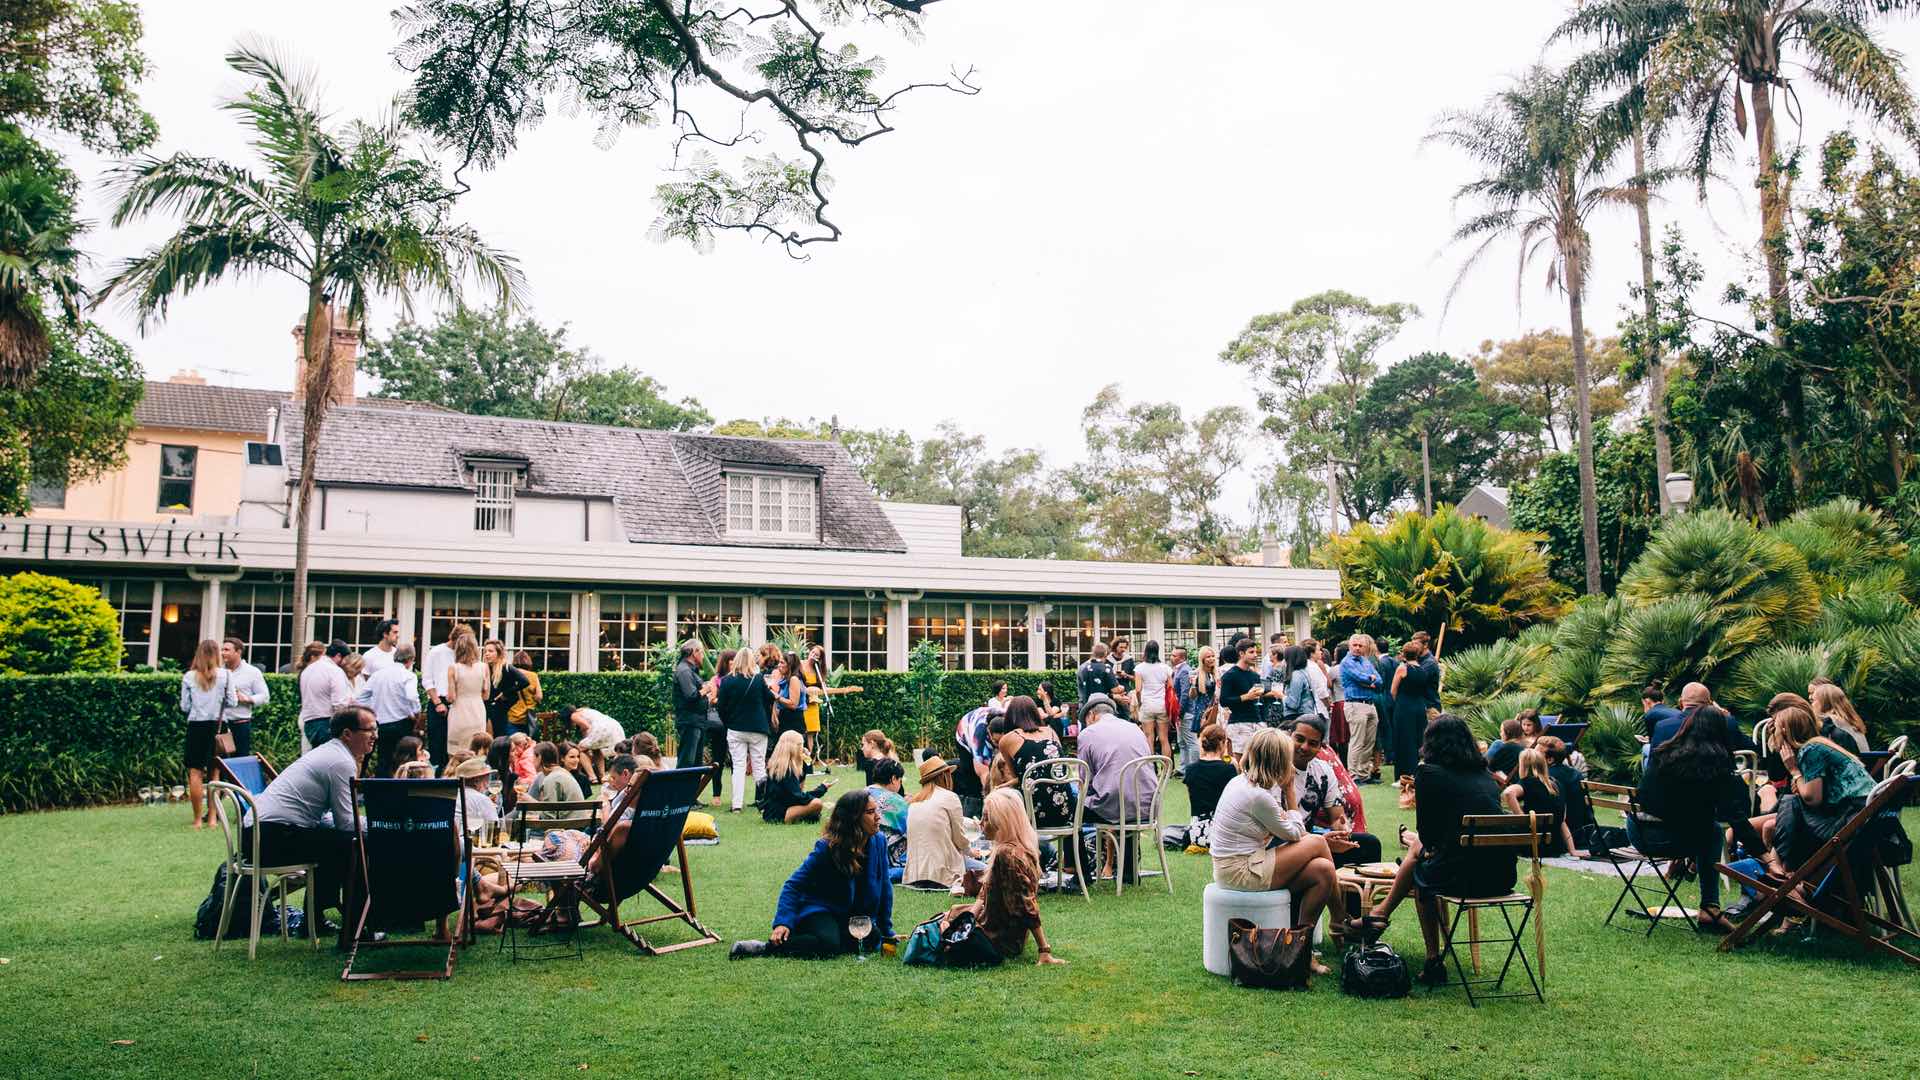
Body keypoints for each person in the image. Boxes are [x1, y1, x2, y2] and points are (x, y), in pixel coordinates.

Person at [1348, 714, 1518, 986]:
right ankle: (1380, 914)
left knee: (1421, 871)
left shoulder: (1429, 773)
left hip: (1461, 878)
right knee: (1418, 852)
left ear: (1431, 742)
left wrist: (1419, 843)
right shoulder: (1486, 777)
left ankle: (1429, 957)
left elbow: (1429, 835)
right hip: (1502, 878)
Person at [1208, 728, 1338, 974]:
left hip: (1243, 864)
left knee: (1324, 870)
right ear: (1279, 762)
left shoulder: (1244, 784)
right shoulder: (1257, 796)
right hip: (1241, 870)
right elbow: (1295, 833)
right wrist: (1290, 790)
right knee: (1319, 844)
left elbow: (1288, 828)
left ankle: (1302, 951)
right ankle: (1340, 920)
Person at [248, 706, 379, 934]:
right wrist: (380, 825)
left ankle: (316, 921)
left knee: (338, 844)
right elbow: (347, 824)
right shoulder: (340, 761)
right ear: (347, 734)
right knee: (356, 845)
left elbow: (330, 818)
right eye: (370, 730)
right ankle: (357, 929)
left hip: (258, 834)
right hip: (272, 837)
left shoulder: (331, 753)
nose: (376, 736)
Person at [733, 789, 894, 959]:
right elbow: (793, 885)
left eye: (877, 810)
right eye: (870, 812)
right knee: (828, 945)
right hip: (821, 910)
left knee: (873, 937)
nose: (878, 816)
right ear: (853, 819)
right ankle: (764, 948)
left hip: (850, 917)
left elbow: (885, 888)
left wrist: (887, 932)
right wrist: (782, 922)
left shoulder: (879, 842)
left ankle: (831, 939)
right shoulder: (827, 848)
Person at [1631, 706, 1749, 932]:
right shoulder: (1715, 766)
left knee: (1705, 828)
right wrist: (1764, 855)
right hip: (1674, 839)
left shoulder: (1662, 752)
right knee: (1712, 831)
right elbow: (1734, 814)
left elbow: (1645, 797)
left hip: (1638, 833)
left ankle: (1693, 873)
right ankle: (1710, 908)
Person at [936, 788, 1065, 965]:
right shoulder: (1014, 848)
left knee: (936, 931)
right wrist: (968, 920)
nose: (981, 823)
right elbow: (986, 890)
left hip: (997, 938)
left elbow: (1026, 905)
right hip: (995, 928)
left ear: (1002, 821)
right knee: (948, 917)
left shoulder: (1007, 855)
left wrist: (1044, 950)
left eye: (986, 817)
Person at [1764, 703, 1874, 877]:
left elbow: (1812, 798)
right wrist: (1800, 782)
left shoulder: (1811, 750)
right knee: (1787, 808)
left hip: (1850, 819)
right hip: (1862, 816)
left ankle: (1782, 871)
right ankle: (1782, 869)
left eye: (1775, 728)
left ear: (1785, 730)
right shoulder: (1818, 744)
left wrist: (1794, 771)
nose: (1773, 733)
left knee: (1789, 802)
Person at [1077, 693, 1157, 882]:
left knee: (1071, 812)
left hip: (1115, 806)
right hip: (1148, 805)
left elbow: (1084, 779)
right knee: (1123, 795)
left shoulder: (1088, 734)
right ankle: (1128, 871)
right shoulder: (1134, 728)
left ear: (1091, 716)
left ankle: (1079, 873)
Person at [1287, 715, 1380, 868]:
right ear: (1289, 736)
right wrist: (1321, 841)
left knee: (1368, 844)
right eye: (1299, 739)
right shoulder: (1275, 765)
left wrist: (1340, 829)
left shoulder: (1323, 771)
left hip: (1310, 840)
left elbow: (1336, 817)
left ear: (1320, 747)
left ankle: (1353, 892)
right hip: (1281, 843)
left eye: (1312, 743)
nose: (1304, 747)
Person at [905, 755, 977, 890]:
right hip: (942, 873)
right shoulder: (950, 797)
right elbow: (960, 839)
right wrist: (972, 852)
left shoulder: (914, 802)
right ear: (944, 776)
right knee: (985, 869)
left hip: (916, 874)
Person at [180, 639, 230, 829]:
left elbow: (184, 706)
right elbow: (232, 701)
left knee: (195, 773)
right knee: (214, 773)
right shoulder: (225, 675)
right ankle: (212, 819)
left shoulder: (189, 676)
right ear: (217, 654)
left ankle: (197, 819)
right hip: (217, 727)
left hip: (196, 727)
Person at [998, 696, 1071, 828]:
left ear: (1010, 716)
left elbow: (1019, 777)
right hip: (1066, 810)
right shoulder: (1051, 732)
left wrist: (1000, 787)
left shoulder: (1008, 739)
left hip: (1032, 813)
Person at [719, 649, 774, 813]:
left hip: (736, 728)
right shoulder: (758, 679)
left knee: (738, 767)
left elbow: (721, 706)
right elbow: (769, 699)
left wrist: (729, 722)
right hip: (758, 728)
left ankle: (736, 805)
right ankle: (762, 803)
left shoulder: (727, 681)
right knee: (759, 766)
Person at [359, 643, 421, 777]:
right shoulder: (408, 676)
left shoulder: (378, 675)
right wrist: (415, 713)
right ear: (410, 659)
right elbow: (412, 696)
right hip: (401, 723)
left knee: (383, 759)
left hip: (380, 723)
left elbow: (362, 697)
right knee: (403, 761)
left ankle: (380, 791)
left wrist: (370, 712)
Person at [1500, 748, 1575, 857]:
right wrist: (1572, 850)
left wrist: (1521, 820)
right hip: (1554, 847)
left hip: (1531, 845)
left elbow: (1508, 793)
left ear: (1523, 766)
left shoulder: (1527, 782)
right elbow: (1562, 821)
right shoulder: (1556, 785)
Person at [420, 622, 469, 771]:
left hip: (458, 702)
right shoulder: (436, 652)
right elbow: (427, 680)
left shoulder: (464, 654)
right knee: (438, 743)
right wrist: (437, 703)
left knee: (456, 743)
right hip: (439, 701)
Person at [1183, 724, 1237, 850]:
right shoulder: (1229, 769)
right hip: (1223, 834)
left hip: (1196, 834)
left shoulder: (1190, 769)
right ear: (1222, 743)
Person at [1339, 635, 1385, 782]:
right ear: (1350, 646)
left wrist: (1370, 680)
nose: (1358, 648)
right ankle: (1353, 776)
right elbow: (1359, 677)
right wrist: (1369, 679)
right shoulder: (1346, 662)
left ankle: (1364, 774)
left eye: (1360, 645)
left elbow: (1379, 680)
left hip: (1370, 705)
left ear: (1365, 647)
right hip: (1355, 703)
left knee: (1369, 741)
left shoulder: (1366, 661)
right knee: (1357, 741)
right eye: (1355, 645)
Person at [1386, 641, 1434, 780]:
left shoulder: (1402, 668)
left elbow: (1393, 690)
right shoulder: (1423, 670)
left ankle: (1403, 772)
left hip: (1404, 706)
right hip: (1419, 706)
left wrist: (1399, 702)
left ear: (1404, 653)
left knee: (1403, 738)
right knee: (1417, 738)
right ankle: (1416, 770)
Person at [297, 639, 355, 754]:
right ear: (338, 656)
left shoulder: (307, 670)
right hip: (326, 723)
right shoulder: (334, 671)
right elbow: (339, 704)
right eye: (345, 659)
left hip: (309, 723)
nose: (346, 663)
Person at [762, 730, 833, 824]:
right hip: (779, 813)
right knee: (817, 803)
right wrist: (821, 790)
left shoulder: (779, 767)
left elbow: (798, 789)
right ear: (794, 748)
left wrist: (806, 761)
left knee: (814, 804)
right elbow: (798, 797)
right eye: (801, 746)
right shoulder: (787, 771)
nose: (803, 748)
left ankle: (806, 817)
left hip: (775, 810)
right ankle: (802, 818)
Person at [218, 636, 269, 760]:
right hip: (220, 725)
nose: (222, 653)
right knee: (218, 762)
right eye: (222, 649)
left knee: (239, 761)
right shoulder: (218, 672)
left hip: (240, 724)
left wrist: (246, 699)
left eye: (226, 650)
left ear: (238, 652)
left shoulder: (252, 672)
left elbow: (265, 696)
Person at [1537, 736, 1592, 848]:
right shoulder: (1575, 773)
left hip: (1561, 836)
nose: (1532, 756)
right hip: (1583, 832)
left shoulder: (1548, 779)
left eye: (1537, 754)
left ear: (1550, 760)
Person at [443, 633, 489, 762]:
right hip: (478, 710)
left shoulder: (453, 668)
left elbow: (451, 697)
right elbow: (486, 695)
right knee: (477, 750)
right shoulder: (483, 667)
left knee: (455, 754)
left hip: (459, 711)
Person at [524, 740, 586, 828]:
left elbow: (549, 818)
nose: (531, 760)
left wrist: (530, 802)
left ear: (540, 757)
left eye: (533, 757)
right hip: (575, 826)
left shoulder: (551, 779)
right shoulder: (561, 773)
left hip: (568, 831)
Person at [1218, 645, 1265, 756]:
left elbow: (1260, 701)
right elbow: (1224, 701)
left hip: (1258, 721)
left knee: (1259, 758)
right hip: (1239, 722)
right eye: (1251, 652)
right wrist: (1246, 697)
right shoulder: (1230, 675)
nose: (1255, 655)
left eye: (1256, 652)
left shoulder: (1255, 675)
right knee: (1242, 760)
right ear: (1241, 654)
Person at [562, 704, 626, 784]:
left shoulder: (573, 715)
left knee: (579, 749)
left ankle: (592, 777)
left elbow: (586, 726)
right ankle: (602, 776)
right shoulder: (584, 711)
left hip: (601, 729)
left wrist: (584, 736)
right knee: (596, 749)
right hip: (612, 726)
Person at [670, 641, 709, 770]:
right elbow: (691, 695)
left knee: (696, 763)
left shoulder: (690, 670)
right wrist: (706, 689)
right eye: (701, 652)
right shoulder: (684, 670)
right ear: (694, 652)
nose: (703, 656)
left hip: (696, 722)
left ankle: (692, 789)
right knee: (687, 762)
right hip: (690, 722)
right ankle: (680, 789)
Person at [480, 639, 531, 737]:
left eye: (490, 651)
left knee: (498, 736)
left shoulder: (506, 668)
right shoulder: (484, 668)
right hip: (484, 707)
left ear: (499, 653)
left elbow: (524, 681)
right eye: (485, 651)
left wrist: (506, 693)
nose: (487, 654)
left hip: (499, 710)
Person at [1134, 640, 1175, 763]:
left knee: (1149, 737)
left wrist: (1140, 703)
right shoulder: (1165, 668)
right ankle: (1167, 767)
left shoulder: (1140, 668)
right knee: (1164, 738)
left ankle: (1151, 767)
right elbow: (1171, 687)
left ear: (1145, 651)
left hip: (1147, 704)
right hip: (1162, 705)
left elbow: (1137, 689)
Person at [1809, 682, 1871, 754]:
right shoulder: (1850, 720)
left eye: (1813, 701)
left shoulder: (1831, 721)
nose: (1812, 705)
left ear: (1824, 702)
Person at [451, 755, 498, 834]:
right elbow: (494, 828)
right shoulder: (481, 799)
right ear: (476, 781)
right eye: (486, 780)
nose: (487, 785)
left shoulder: (451, 794)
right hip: (468, 844)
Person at [507, 649, 544, 735]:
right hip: (528, 717)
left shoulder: (510, 674)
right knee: (528, 743)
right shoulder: (533, 675)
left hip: (512, 716)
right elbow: (539, 696)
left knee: (513, 744)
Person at [1485, 717, 1525, 782]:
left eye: (1501, 731)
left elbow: (1490, 766)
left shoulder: (1507, 747)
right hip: (1513, 780)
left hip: (1501, 780)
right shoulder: (1522, 747)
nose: (1500, 734)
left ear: (1508, 733)